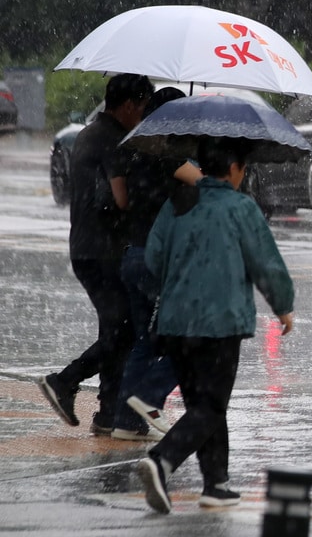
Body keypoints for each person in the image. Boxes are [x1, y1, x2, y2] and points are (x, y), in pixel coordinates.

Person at [137, 138, 295, 513]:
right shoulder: (241, 207)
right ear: (236, 168)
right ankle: (162, 460)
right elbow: (265, 263)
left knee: (201, 405)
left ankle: (216, 483)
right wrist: (283, 306)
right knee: (211, 406)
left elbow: (154, 258)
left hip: (177, 323)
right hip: (220, 324)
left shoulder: (177, 203)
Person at [39, 73, 154, 434]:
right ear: (129, 105)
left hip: (88, 247)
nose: (144, 114)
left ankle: (107, 414)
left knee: (115, 327)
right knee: (124, 330)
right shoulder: (113, 140)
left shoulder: (92, 132)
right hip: (102, 249)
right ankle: (65, 381)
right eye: (143, 107)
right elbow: (119, 199)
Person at [110, 87, 202, 442]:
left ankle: (126, 421)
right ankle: (150, 397)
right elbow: (209, 186)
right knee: (192, 335)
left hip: (133, 255)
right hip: (158, 259)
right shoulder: (166, 153)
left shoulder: (136, 148)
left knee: (145, 342)